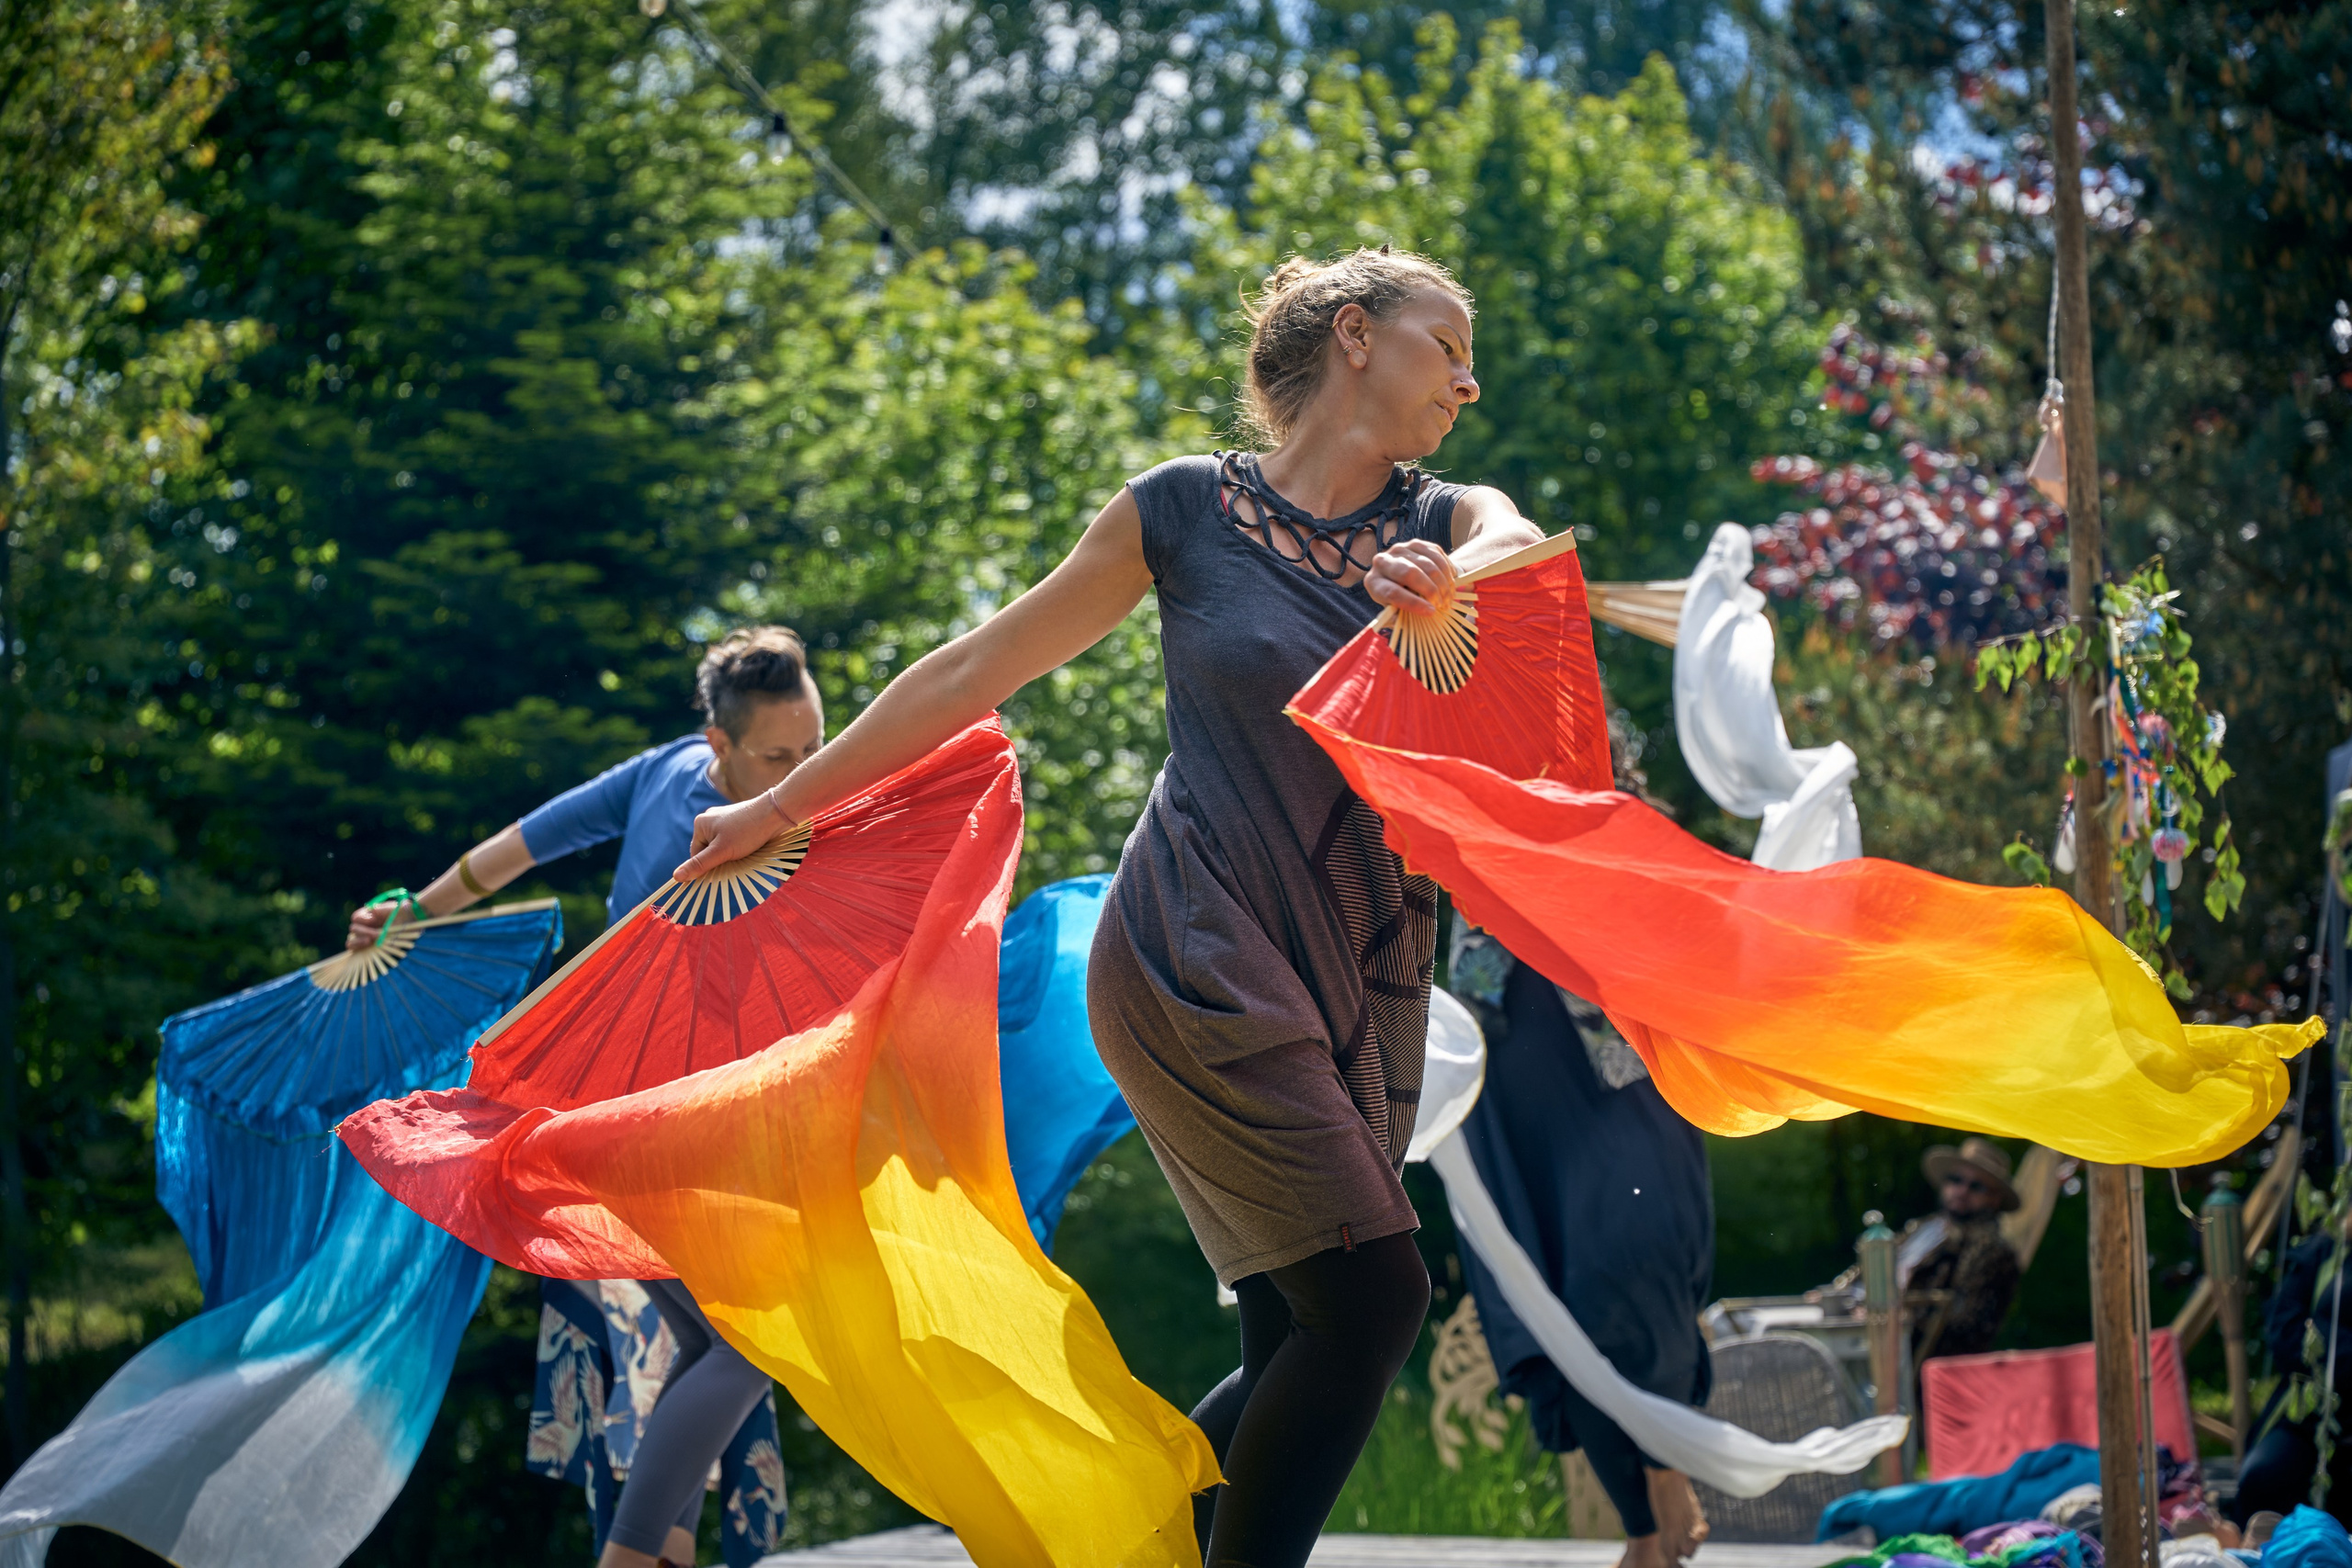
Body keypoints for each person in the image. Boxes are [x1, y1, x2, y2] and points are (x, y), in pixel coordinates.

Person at [676, 246, 1540, 1567]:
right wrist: (781, 807)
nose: (1469, 382)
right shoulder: (1185, 509)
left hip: (1363, 963)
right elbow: (975, 666)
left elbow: (1516, 541)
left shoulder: (1444, 516)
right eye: (1449, 346)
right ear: (1357, 335)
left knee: (1301, 1329)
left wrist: (1464, 577)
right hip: (1199, 948)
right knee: (1376, 1295)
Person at [347, 625, 822, 1568]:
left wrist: (421, 907)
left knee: (711, 1345)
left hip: (672, 1118)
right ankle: (635, 1555)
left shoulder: (758, 794)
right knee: (753, 1341)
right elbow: (521, 845)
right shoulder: (695, 806)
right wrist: (412, 913)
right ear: (719, 744)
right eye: (779, 758)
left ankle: (663, 1547)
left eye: (815, 747)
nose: (803, 773)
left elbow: (513, 850)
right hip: (641, 1118)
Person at [1903, 1137, 2024, 1363]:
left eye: (1976, 1186)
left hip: (1921, 1367)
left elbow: (1962, 1328)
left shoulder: (1992, 1251)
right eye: (1955, 1179)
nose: (1962, 1190)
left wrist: (1889, 1316)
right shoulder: (1920, 1229)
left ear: (1995, 1199)